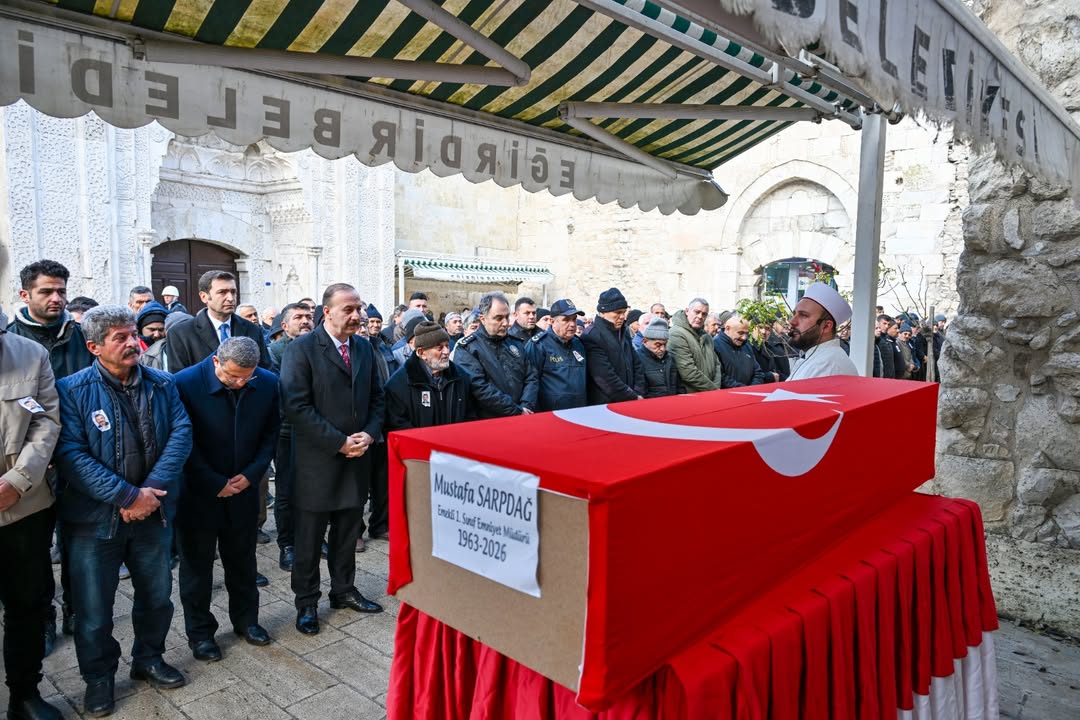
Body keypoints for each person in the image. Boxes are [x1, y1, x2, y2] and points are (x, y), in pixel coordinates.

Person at [55, 305, 193, 716]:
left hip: (154, 514)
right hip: (94, 521)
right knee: (94, 612)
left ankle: (148, 658)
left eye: (134, 334)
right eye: (121, 337)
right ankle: (98, 678)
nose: (134, 343)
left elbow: (181, 434)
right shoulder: (71, 390)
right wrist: (126, 496)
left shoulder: (163, 383)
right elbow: (71, 454)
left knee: (157, 597)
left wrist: (149, 493)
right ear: (95, 346)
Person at [280, 284, 384, 636]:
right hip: (318, 461)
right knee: (309, 538)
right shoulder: (302, 350)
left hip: (358, 457)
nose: (357, 316)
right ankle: (306, 602)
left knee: (347, 531)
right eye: (349, 310)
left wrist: (369, 434)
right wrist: (338, 442)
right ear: (327, 312)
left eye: (359, 308)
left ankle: (343, 590)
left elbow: (378, 399)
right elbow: (296, 406)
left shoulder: (365, 349)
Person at [174, 337, 279, 662]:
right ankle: (201, 633)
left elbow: (270, 433)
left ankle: (247, 621)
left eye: (246, 377)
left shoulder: (267, 382)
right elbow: (181, 439)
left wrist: (252, 473)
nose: (239, 383)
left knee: (243, 561)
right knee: (197, 567)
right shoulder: (184, 383)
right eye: (233, 376)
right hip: (198, 493)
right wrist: (214, 482)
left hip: (244, 490)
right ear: (216, 362)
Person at [8, 260, 94, 654]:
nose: (56, 298)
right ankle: (42, 617)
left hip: (77, 458)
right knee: (36, 550)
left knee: (78, 539)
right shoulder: (11, 340)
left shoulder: (82, 336)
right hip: (26, 465)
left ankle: (77, 608)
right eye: (47, 291)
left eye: (61, 290)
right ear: (25, 295)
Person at [0, 326, 63, 720]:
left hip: (23, 507)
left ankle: (24, 693)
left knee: (26, 605)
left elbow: (46, 421)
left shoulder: (29, 353)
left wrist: (17, 481)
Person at [165, 271, 272, 372]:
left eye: (233, 292)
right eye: (222, 292)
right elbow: (179, 378)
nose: (230, 298)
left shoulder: (252, 329)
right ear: (204, 297)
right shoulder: (180, 334)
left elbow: (265, 369)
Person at [454, 293, 538, 418]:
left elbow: (531, 377)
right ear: (483, 319)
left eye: (506, 317)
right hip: (488, 421)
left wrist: (526, 406)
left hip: (522, 417)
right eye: (498, 318)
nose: (505, 323)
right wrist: (516, 410)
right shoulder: (468, 348)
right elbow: (479, 388)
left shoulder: (516, 343)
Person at [385, 321, 475, 430]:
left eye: (447, 345)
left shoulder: (461, 377)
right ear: (421, 353)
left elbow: (470, 415)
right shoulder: (398, 384)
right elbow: (397, 424)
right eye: (439, 348)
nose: (446, 351)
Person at [581, 288, 644, 405]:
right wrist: (632, 396)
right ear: (603, 312)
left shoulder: (623, 331)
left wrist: (638, 391)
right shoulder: (593, 336)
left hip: (630, 400)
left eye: (624, 312)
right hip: (605, 404)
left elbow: (636, 364)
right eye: (617, 312)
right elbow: (604, 377)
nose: (622, 317)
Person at [525, 299, 588, 412]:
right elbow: (530, 381)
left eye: (574, 319)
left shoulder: (578, 343)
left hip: (579, 412)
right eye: (566, 320)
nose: (573, 324)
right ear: (552, 321)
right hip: (551, 415)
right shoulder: (539, 345)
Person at [786, 283, 859, 379]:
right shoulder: (818, 357)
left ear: (826, 326)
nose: (792, 322)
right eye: (794, 314)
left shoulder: (827, 365)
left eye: (803, 315)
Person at [668, 298, 725, 393]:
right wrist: (714, 389)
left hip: (710, 393)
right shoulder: (676, 334)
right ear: (687, 311)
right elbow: (688, 371)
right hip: (690, 396)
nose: (700, 316)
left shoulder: (707, 337)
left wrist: (715, 387)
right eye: (697, 312)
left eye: (704, 314)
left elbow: (717, 365)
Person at [714, 315, 769, 386]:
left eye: (747, 333)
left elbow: (758, 372)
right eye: (740, 333)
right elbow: (719, 377)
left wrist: (753, 388)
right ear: (727, 328)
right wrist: (743, 389)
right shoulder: (715, 345)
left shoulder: (746, 345)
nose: (744, 337)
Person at [636, 317, 682, 397]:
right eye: (658, 345)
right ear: (645, 341)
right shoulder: (637, 359)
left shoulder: (670, 358)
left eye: (665, 344)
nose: (662, 349)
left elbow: (679, 386)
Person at [268, 303, 314, 371]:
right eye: (298, 317)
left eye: (309, 317)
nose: (305, 321)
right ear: (285, 326)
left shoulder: (323, 345)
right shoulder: (273, 351)